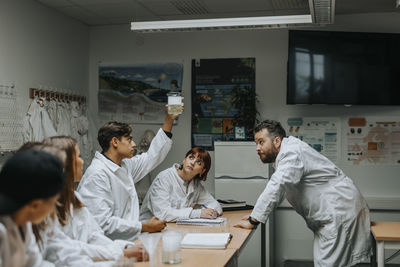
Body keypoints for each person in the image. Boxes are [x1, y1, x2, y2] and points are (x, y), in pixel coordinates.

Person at [234, 120, 371, 267]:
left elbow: (278, 185)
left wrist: (254, 220)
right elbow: (282, 189)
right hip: (335, 214)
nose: (257, 148)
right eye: (256, 143)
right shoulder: (289, 153)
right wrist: (255, 214)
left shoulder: (291, 153)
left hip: (339, 213)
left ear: (277, 141)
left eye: (261, 142)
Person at [78, 104, 183, 241]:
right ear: (115, 142)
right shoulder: (97, 174)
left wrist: (169, 119)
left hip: (126, 241)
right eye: (129, 139)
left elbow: (152, 156)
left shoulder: (125, 165)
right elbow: (102, 224)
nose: (134, 144)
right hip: (105, 246)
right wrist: (144, 226)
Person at [43, 136, 146, 262]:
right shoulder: (47, 207)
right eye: (78, 157)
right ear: (64, 163)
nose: (82, 161)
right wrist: (120, 255)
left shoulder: (74, 197)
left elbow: (94, 235)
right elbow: (64, 253)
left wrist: (124, 247)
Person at [0, 150, 66, 267]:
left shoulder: (22, 221)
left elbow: (34, 263)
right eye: (53, 202)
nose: (54, 209)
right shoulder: (2, 231)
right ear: (35, 205)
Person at [140, 147, 222, 222]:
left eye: (199, 162)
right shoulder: (164, 178)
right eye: (191, 157)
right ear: (184, 159)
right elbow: (163, 214)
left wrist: (212, 213)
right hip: (148, 231)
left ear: (202, 171)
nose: (193, 163)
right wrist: (198, 213)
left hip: (174, 229)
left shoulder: (196, 185)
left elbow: (215, 205)